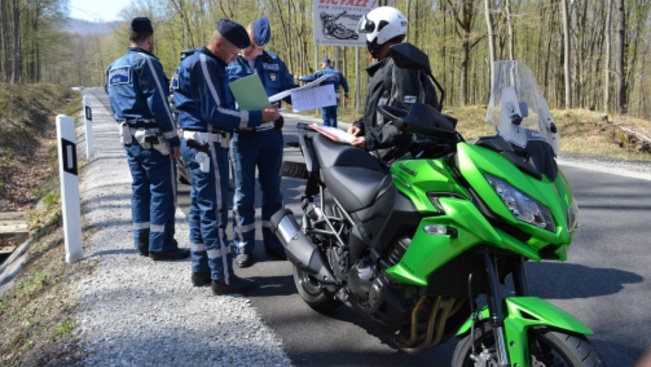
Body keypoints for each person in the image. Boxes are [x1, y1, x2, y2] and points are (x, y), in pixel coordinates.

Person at [171, 19, 280, 294]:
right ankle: (223, 276)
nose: (234, 60)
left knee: (200, 208)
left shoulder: (199, 61)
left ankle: (202, 268)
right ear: (218, 45)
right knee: (216, 211)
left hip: (197, 143)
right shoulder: (206, 63)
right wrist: (257, 116)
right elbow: (215, 113)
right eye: (233, 53)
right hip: (206, 143)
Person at [106, 17, 189, 261]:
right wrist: (174, 139)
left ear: (130, 37)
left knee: (140, 190)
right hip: (152, 138)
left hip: (129, 138)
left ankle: (142, 241)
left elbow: (113, 100)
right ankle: (161, 244)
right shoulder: (147, 63)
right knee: (163, 191)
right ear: (150, 38)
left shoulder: (115, 66)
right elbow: (160, 104)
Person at [226, 16, 296, 268]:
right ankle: (244, 246)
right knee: (244, 194)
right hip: (244, 136)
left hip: (271, 136)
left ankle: (273, 242)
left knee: (273, 192)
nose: (251, 51)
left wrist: (303, 93)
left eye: (258, 47)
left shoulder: (274, 62)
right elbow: (221, 100)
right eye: (249, 45)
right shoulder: (230, 62)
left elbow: (290, 90)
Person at [348, 6, 439, 168]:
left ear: (381, 32)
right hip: (384, 152)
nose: (368, 39)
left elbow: (408, 120)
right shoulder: (390, 64)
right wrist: (360, 125)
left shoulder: (402, 65)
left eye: (369, 32)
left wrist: (369, 140)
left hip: (397, 159)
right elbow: (385, 109)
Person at [294, 57, 349, 127]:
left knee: (326, 117)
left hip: (325, 96)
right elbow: (344, 83)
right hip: (335, 96)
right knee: (333, 116)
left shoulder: (322, 73)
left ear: (325, 64)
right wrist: (346, 93)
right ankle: (334, 132)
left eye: (322, 64)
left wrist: (299, 78)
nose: (321, 66)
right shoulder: (338, 73)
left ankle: (327, 132)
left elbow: (310, 78)